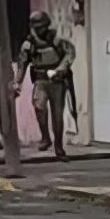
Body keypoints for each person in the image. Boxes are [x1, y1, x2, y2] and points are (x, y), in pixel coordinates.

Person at [14, 11, 75, 161]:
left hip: (56, 81)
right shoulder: (28, 44)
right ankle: (45, 137)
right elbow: (22, 64)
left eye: (42, 26)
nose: (39, 30)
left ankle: (59, 146)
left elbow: (70, 54)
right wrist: (17, 82)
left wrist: (60, 69)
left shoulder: (57, 40)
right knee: (39, 107)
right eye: (37, 27)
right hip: (40, 80)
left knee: (57, 115)